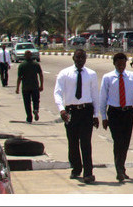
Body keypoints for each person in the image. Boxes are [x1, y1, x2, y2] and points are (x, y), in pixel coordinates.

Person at [99, 52, 133, 182]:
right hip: (114, 113)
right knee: (118, 141)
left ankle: (121, 167)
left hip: (128, 113)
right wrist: (104, 117)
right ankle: (120, 170)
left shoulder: (132, 77)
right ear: (114, 64)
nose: (121, 66)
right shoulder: (108, 78)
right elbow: (102, 98)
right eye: (118, 64)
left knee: (125, 142)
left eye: (123, 64)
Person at [53, 49, 99, 184]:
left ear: (85, 59)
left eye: (83, 58)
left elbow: (95, 95)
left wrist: (96, 114)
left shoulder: (91, 74)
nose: (80, 60)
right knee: (73, 142)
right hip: (71, 111)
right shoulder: (64, 73)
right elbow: (57, 93)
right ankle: (76, 168)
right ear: (73, 58)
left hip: (86, 111)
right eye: (78, 58)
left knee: (86, 142)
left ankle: (88, 173)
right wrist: (61, 110)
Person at [15, 50, 44, 123]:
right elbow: (40, 75)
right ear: (31, 56)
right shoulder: (36, 64)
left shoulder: (22, 65)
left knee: (27, 103)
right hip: (35, 86)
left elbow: (19, 77)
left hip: (25, 87)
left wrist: (17, 88)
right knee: (36, 100)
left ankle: (29, 117)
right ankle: (36, 109)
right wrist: (41, 85)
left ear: (24, 56)